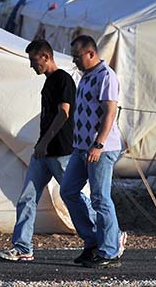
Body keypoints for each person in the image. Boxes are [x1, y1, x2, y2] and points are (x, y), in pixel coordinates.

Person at [0, 39, 94, 262]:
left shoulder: (62, 79)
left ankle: (106, 234)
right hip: (44, 152)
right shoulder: (49, 81)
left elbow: (64, 113)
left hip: (60, 150)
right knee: (27, 197)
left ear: (46, 57)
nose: (32, 65)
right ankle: (22, 246)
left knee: (73, 196)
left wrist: (45, 141)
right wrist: (42, 144)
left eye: (34, 60)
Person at [60, 35, 126, 268]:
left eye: (77, 56)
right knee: (68, 190)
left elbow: (110, 112)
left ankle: (110, 249)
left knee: (100, 197)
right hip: (81, 147)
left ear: (90, 53)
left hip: (101, 148)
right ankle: (93, 240)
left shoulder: (106, 76)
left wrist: (98, 144)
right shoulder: (86, 76)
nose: (75, 61)